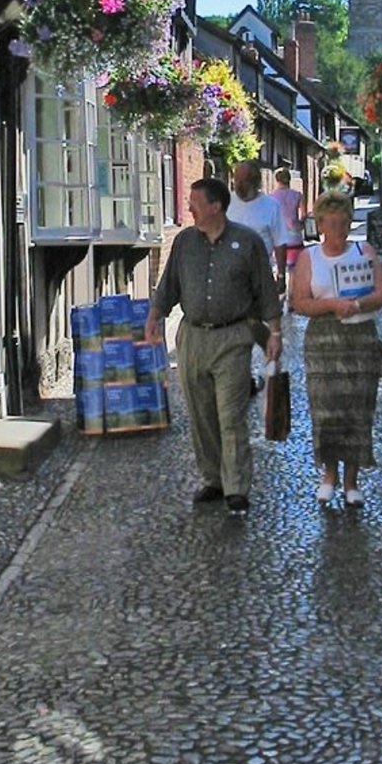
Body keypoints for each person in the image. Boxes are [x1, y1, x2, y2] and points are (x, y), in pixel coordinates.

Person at [146, 177, 282, 516]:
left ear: (215, 206)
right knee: (201, 414)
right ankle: (213, 479)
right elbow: (169, 286)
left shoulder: (247, 242)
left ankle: (236, 486)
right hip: (192, 337)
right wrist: (155, 316)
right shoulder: (183, 243)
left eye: (194, 202)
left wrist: (274, 334)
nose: (189, 208)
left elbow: (265, 291)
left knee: (230, 414)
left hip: (233, 337)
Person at [287, 190, 382, 506]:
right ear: (320, 224)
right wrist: (332, 304)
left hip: (361, 338)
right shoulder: (310, 257)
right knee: (327, 410)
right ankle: (329, 476)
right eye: (331, 223)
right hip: (323, 341)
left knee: (358, 410)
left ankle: (352, 481)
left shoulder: (365, 250)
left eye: (344, 222)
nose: (338, 229)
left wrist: (359, 303)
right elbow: (300, 302)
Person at [226, 159, 288, 394]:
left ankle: (271, 354)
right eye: (236, 180)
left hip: (259, 276)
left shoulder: (270, 206)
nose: (238, 185)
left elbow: (281, 242)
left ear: (256, 181)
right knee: (237, 325)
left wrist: (281, 274)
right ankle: (244, 376)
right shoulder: (226, 203)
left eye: (244, 181)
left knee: (251, 323)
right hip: (230, 276)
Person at [271, 168, 305, 279]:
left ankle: (281, 290)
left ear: (276, 180)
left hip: (279, 236)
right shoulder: (297, 195)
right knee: (293, 270)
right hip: (295, 235)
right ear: (289, 179)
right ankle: (291, 293)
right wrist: (301, 223)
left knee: (279, 267)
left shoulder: (271, 198)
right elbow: (303, 215)